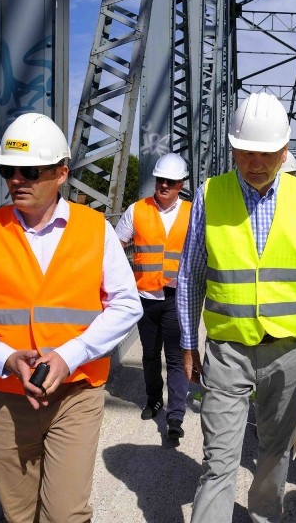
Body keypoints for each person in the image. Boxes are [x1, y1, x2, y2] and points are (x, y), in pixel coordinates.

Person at [0, 113, 143, 522]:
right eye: (9, 170)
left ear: (61, 173)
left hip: (77, 392)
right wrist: (4, 358)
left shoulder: (94, 229)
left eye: (30, 171)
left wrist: (70, 354)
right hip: (8, 396)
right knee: (19, 512)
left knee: (64, 514)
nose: (17, 179)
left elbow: (127, 304)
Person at [177, 92, 296, 522]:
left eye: (267, 153)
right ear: (233, 148)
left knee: (275, 454)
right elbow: (191, 275)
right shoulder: (210, 194)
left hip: (288, 351)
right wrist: (187, 344)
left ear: (284, 150)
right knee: (218, 460)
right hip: (226, 350)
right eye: (245, 153)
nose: (255, 162)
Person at [115, 152, 191, 440]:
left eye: (171, 182)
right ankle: (153, 399)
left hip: (176, 298)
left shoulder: (193, 212)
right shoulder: (137, 210)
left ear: (181, 184)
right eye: (160, 180)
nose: (164, 186)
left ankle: (175, 415)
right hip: (144, 297)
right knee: (149, 355)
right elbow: (115, 246)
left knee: (174, 357)